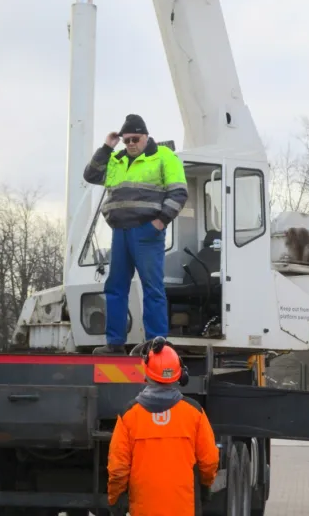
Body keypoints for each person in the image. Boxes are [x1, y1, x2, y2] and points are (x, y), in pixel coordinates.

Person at [83, 114, 188, 354]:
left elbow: (179, 193)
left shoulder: (164, 157)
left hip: (147, 232)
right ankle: (115, 343)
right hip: (120, 232)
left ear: (146, 137)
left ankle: (157, 344)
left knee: (152, 287)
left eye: (135, 138)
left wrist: (160, 223)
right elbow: (90, 175)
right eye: (126, 139)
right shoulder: (116, 160)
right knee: (115, 287)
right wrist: (107, 146)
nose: (130, 143)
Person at [107, 337, 219, 516]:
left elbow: (118, 468)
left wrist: (115, 500)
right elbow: (209, 461)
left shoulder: (130, 415)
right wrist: (204, 487)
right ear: (180, 374)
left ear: (146, 373)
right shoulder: (194, 413)